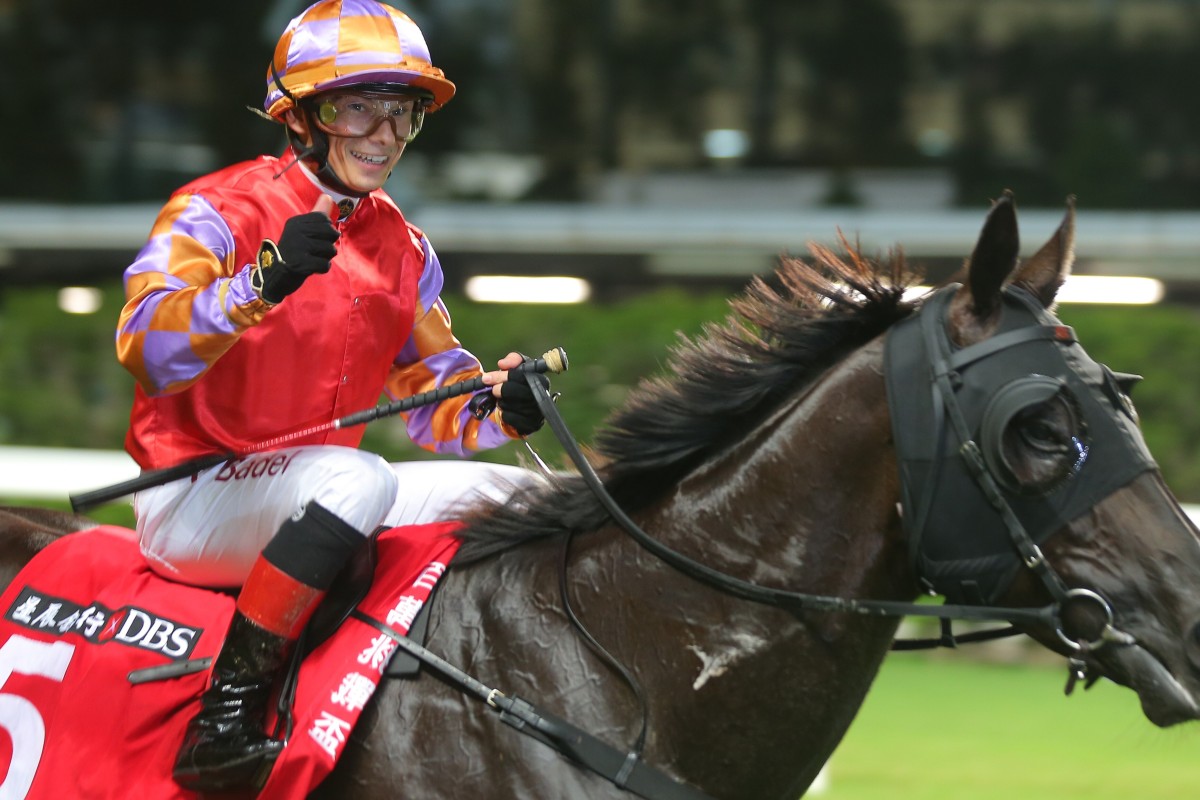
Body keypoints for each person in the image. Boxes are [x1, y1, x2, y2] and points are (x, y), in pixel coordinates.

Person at [114, 0, 550, 791]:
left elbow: (428, 395)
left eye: (403, 114)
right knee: (359, 477)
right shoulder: (216, 209)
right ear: (304, 115)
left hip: (315, 497)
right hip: (192, 495)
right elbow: (146, 349)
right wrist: (259, 283)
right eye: (360, 109)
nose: (385, 136)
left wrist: (498, 406)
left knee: (518, 493)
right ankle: (226, 715)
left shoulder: (404, 246)